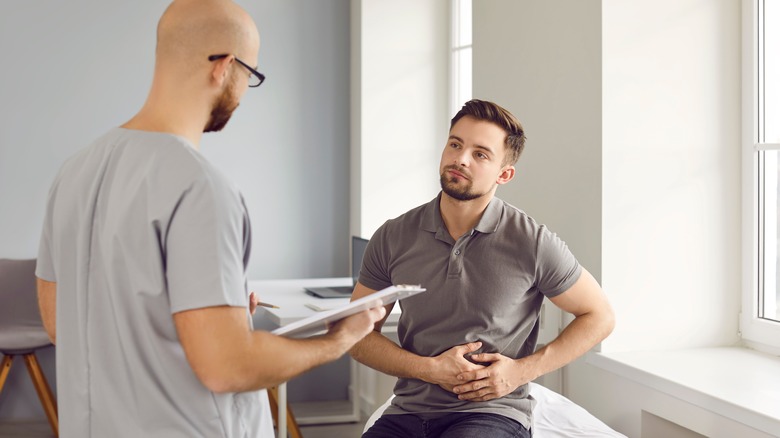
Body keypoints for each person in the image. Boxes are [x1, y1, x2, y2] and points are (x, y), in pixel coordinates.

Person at [35, 1, 385, 436]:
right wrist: (337, 340)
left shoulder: (73, 172)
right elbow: (228, 367)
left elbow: (62, 324)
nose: (244, 91)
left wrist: (217, 312)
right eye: (250, 76)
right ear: (223, 66)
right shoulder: (199, 185)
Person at [349, 99, 615, 438]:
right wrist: (429, 370)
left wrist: (520, 371)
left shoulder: (533, 241)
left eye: (480, 154)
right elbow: (356, 336)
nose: (460, 159)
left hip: (492, 414)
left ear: (504, 174)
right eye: (455, 144)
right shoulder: (392, 235)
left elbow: (600, 316)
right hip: (408, 412)